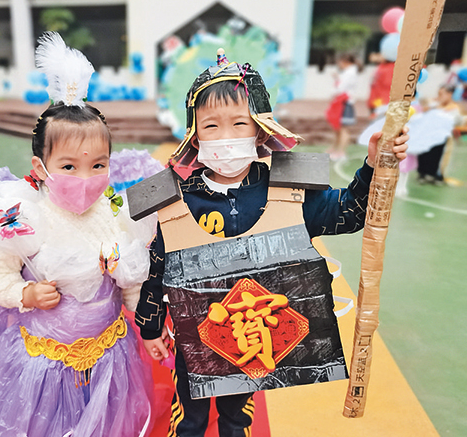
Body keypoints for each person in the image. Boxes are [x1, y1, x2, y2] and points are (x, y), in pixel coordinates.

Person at [135, 50, 408, 437]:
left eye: (239, 123)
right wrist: (150, 327)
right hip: (194, 337)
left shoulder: (287, 190)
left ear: (260, 130)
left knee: (236, 418)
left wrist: (373, 166)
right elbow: (157, 267)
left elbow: (349, 213)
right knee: (189, 421)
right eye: (211, 125)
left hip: (253, 339)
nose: (225, 137)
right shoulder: (177, 197)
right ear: (194, 134)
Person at [0, 32, 154, 436]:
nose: (86, 178)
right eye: (69, 166)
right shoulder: (24, 218)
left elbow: (129, 279)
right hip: (44, 364)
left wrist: (147, 322)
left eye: (98, 165)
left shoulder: (113, 212)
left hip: (109, 353)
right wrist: (25, 294)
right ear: (40, 168)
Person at [417, 84, 463, 184]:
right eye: (439, 94)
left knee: (439, 157)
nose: (439, 96)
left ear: (449, 94)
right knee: (424, 154)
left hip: (442, 138)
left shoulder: (453, 108)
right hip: (428, 136)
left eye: (441, 94)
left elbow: (456, 121)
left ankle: (436, 174)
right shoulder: (434, 104)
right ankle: (423, 173)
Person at [325, 53, 359, 160]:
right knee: (338, 128)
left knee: (343, 129)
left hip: (344, 102)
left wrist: (334, 90)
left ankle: (341, 152)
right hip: (342, 102)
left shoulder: (350, 73)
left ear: (345, 61)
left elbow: (341, 88)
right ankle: (335, 149)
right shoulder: (348, 72)